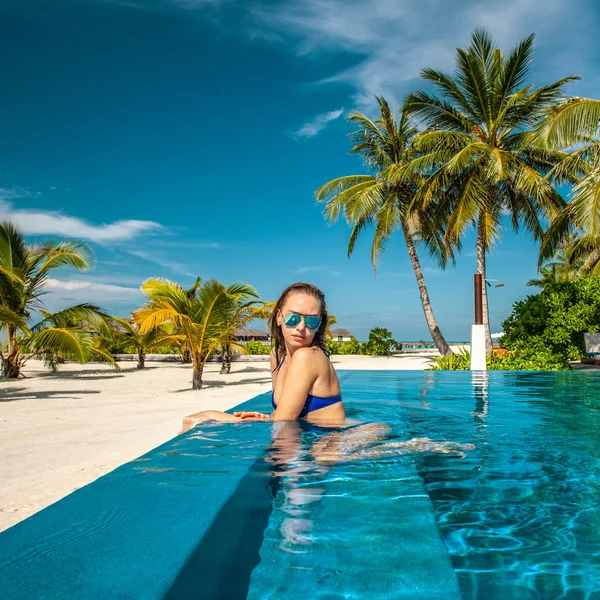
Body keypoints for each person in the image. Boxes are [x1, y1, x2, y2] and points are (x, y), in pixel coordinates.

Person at [179, 282, 345, 434]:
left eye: (311, 321)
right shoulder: (277, 355)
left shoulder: (308, 357)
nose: (301, 327)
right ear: (279, 317)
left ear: (319, 324)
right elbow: (283, 417)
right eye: (293, 318)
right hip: (309, 438)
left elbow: (282, 424)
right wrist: (266, 417)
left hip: (329, 447)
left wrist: (212, 414)